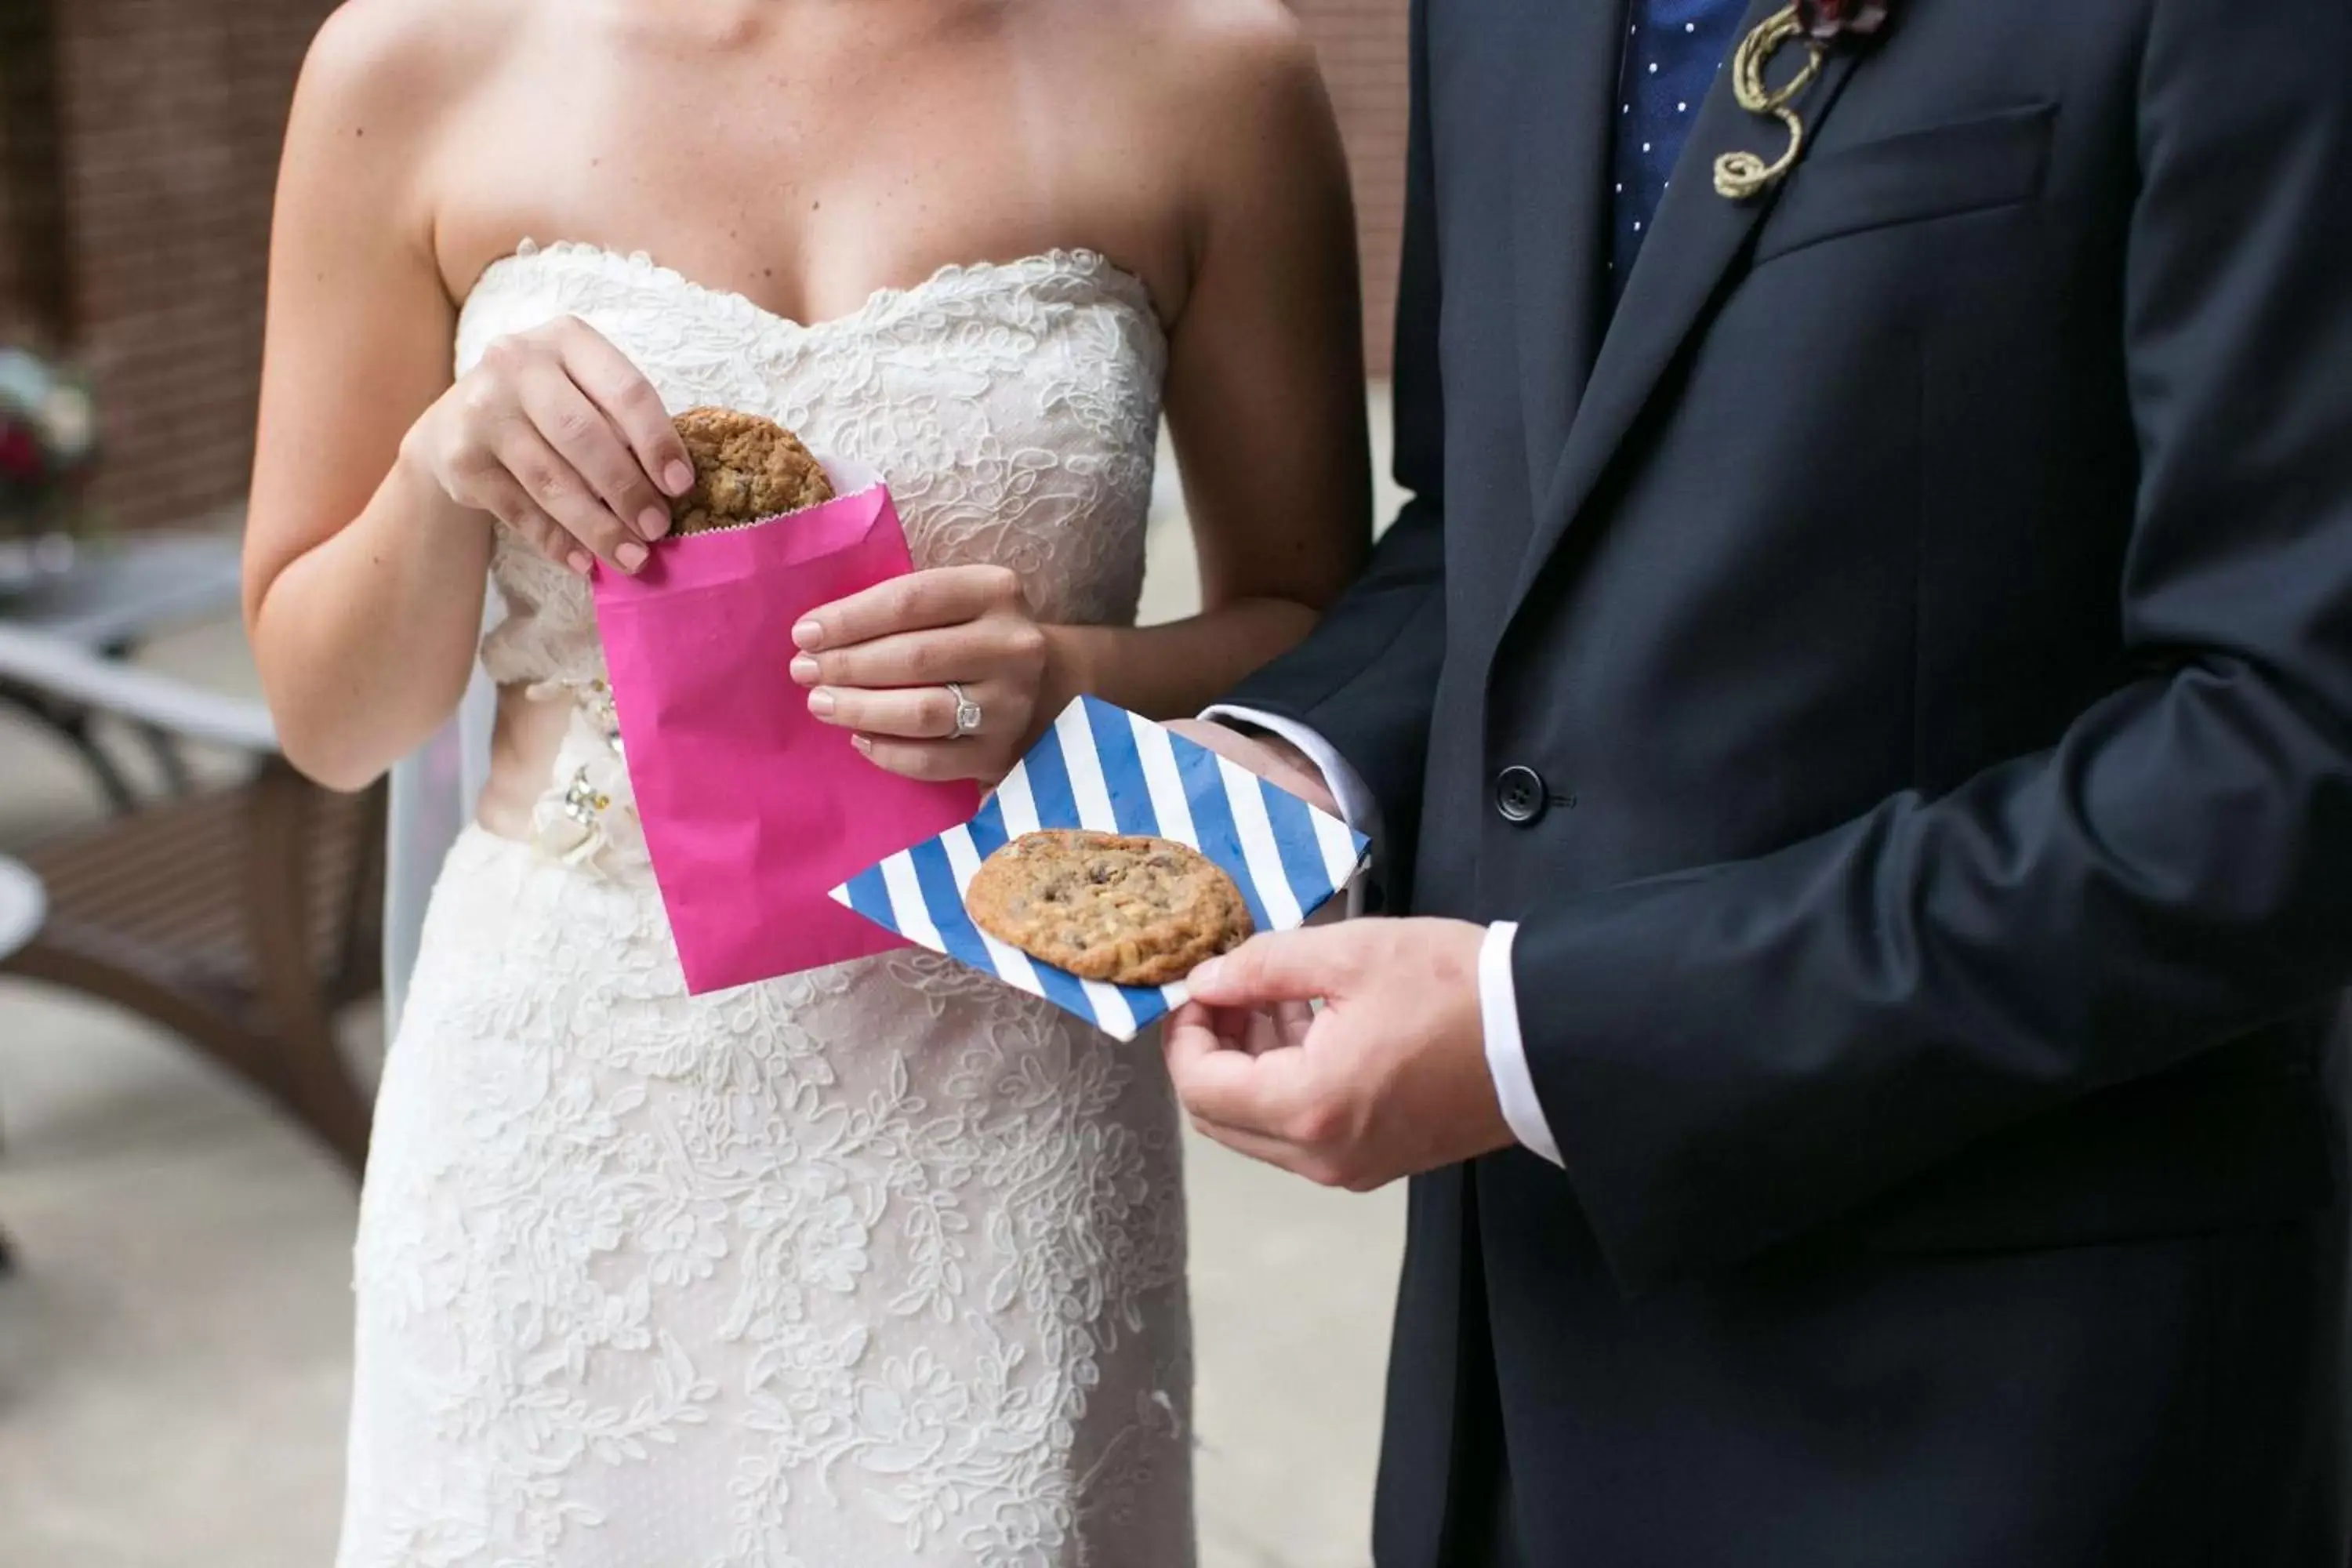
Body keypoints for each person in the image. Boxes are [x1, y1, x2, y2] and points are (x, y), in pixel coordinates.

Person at [1171, 0, 2352, 1560]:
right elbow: (1496, 522)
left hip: (2005, 1422)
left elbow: (2289, 754)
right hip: (1518, 1396)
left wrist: (1552, 1032)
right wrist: (1289, 762)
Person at [239, 0, 1371, 1559]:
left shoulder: (1204, 69)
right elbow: (328, 719)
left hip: (1002, 1111)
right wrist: (445, 466)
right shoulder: (415, 61)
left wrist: (1071, 676)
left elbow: (1329, 639)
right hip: (561, 1109)